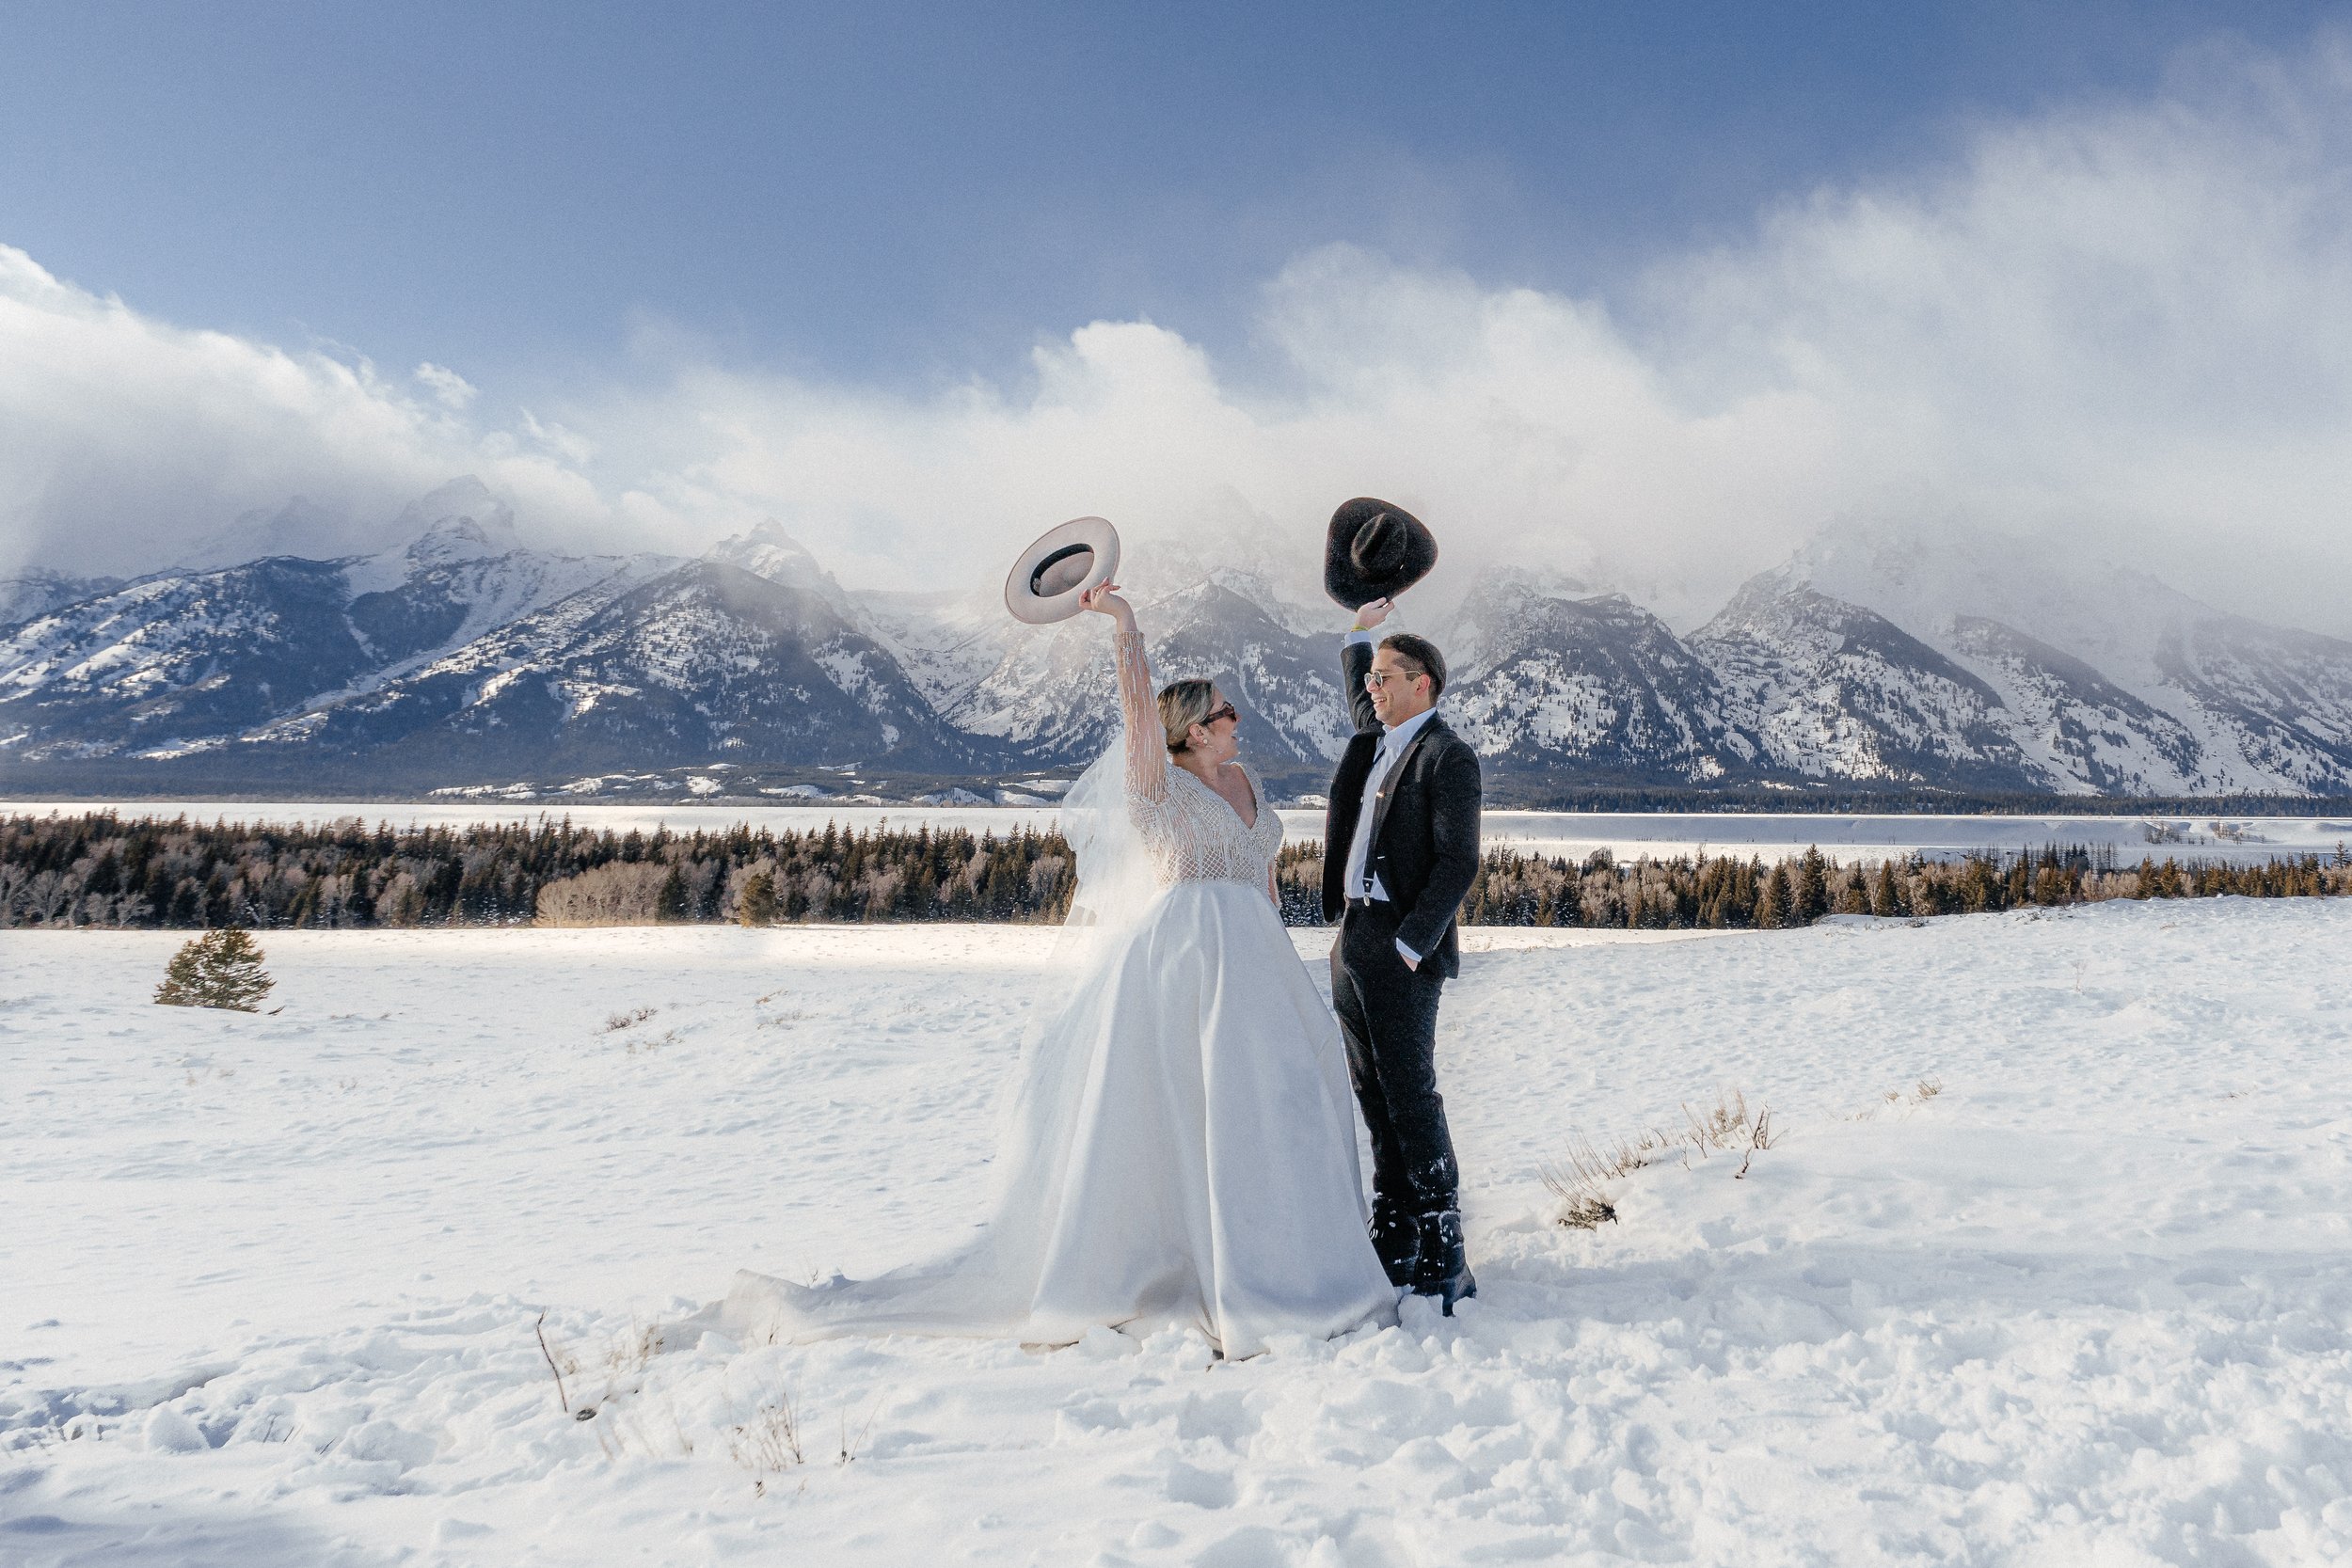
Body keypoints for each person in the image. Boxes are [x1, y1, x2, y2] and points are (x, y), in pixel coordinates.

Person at [711, 581, 1394, 1358]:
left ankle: (1298, 1265)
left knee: (1279, 1105)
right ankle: (1197, 1266)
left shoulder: (1249, 785)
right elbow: (1137, 706)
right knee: (1197, 1111)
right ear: (1196, 729)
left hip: (1259, 963)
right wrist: (1123, 623)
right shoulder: (1156, 787)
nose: (1240, 718)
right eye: (1227, 710)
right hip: (1188, 961)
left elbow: (1261, 870)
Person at [1323, 594, 1484, 1311]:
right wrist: (1360, 634)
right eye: (1373, 677)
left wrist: (1413, 945)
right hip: (1352, 937)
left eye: (1386, 676)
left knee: (1411, 1093)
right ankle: (1397, 1227)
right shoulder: (1379, 740)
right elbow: (1358, 682)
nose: (1373, 686)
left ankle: (1444, 1239)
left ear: (1424, 684)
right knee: (1372, 1089)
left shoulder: (1448, 756)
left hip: (1400, 944)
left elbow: (1459, 862)